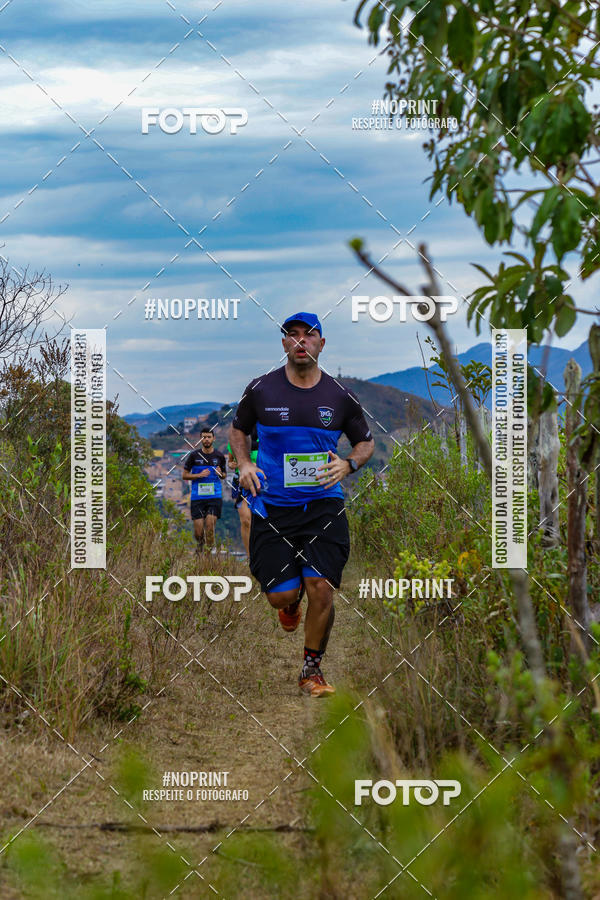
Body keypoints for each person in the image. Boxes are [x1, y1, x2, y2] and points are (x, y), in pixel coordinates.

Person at [229, 312, 374, 697]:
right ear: (283, 344)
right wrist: (244, 463)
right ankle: (288, 604)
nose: (300, 342)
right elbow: (238, 430)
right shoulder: (260, 390)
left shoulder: (340, 397)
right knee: (280, 593)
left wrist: (349, 464)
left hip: (324, 503)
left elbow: (365, 442)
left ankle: (312, 670)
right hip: (273, 506)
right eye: (291, 335)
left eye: (308, 336)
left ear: (321, 344)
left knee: (321, 586)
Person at [183, 427, 226, 552]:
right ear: (200, 439)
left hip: (214, 497)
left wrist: (220, 473)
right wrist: (198, 475)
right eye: (204, 437)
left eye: (209, 437)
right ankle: (200, 546)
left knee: (210, 527)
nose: (206, 439)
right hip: (197, 497)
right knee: (198, 532)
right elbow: (184, 475)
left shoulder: (219, 456)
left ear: (213, 438)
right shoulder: (194, 456)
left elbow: (224, 476)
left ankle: (207, 556)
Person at [227, 426, 258, 555]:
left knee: (261, 520)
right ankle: (249, 557)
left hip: (261, 482)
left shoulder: (265, 436)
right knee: (246, 520)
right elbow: (230, 462)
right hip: (241, 482)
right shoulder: (235, 439)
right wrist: (232, 464)